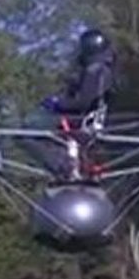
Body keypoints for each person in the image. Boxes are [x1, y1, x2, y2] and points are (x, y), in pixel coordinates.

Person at [21, 28, 117, 180]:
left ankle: (60, 163)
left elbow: (82, 103)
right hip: (88, 119)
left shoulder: (94, 71)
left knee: (26, 130)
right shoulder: (105, 70)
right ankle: (63, 157)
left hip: (79, 120)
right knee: (39, 129)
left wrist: (57, 103)